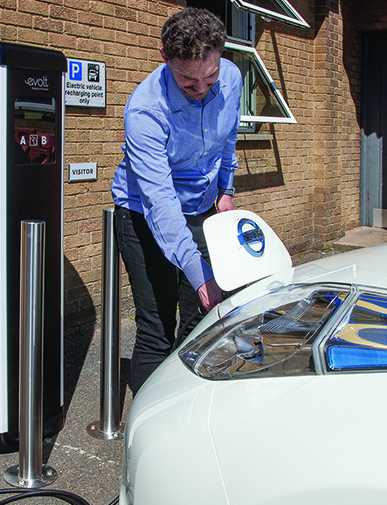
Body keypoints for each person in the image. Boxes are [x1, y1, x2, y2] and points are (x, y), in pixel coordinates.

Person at [111, 7, 242, 395]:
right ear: (166, 60)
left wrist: (226, 189)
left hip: (203, 206)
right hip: (145, 213)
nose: (202, 88)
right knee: (157, 325)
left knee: (201, 314)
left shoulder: (232, 77)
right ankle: (148, 433)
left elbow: (229, 137)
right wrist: (194, 268)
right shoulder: (145, 111)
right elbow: (160, 199)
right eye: (188, 82)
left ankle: (185, 404)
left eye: (210, 77)